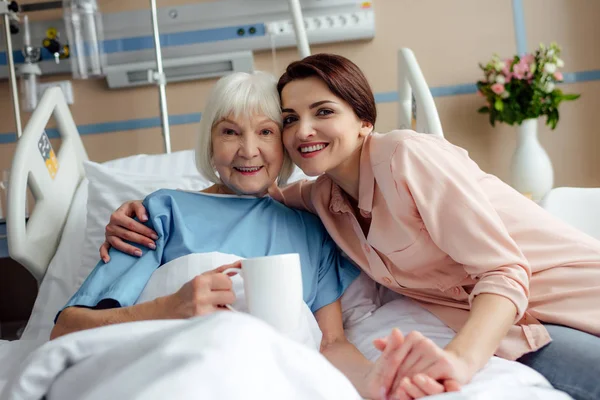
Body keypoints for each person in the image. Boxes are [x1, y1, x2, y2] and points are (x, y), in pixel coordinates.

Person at [102, 54, 600, 400]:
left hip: (571, 298)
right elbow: (251, 188)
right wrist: (147, 208)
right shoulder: (322, 198)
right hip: (520, 330)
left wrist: (461, 360)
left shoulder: (407, 157)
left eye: (324, 112)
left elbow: (505, 270)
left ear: (364, 120)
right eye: (291, 119)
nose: (304, 131)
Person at [52, 71, 451, 400]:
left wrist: (378, 383)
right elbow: (66, 328)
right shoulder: (160, 213)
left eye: (265, 132)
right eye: (230, 132)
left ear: (287, 145)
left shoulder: (312, 228)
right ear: (210, 143)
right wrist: (168, 307)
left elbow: (331, 344)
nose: (248, 150)